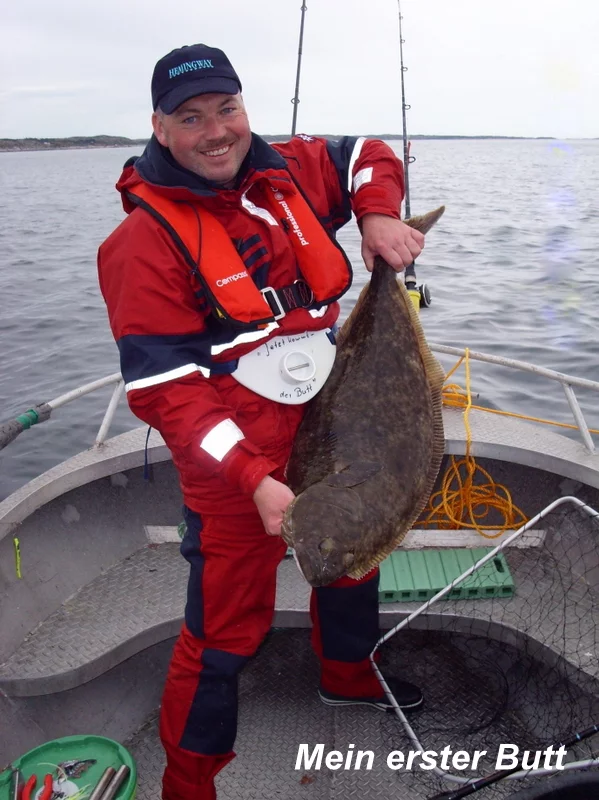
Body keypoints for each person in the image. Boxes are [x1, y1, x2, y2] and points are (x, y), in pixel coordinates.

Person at [98, 43, 427, 800]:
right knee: (221, 632)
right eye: (191, 118)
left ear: (245, 108)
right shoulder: (140, 245)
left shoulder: (291, 169)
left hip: (331, 418)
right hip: (232, 455)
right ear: (159, 127)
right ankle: (189, 785)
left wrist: (377, 214)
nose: (216, 131)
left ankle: (349, 675)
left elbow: (368, 155)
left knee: (354, 555)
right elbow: (170, 396)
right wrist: (252, 478)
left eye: (227, 109)